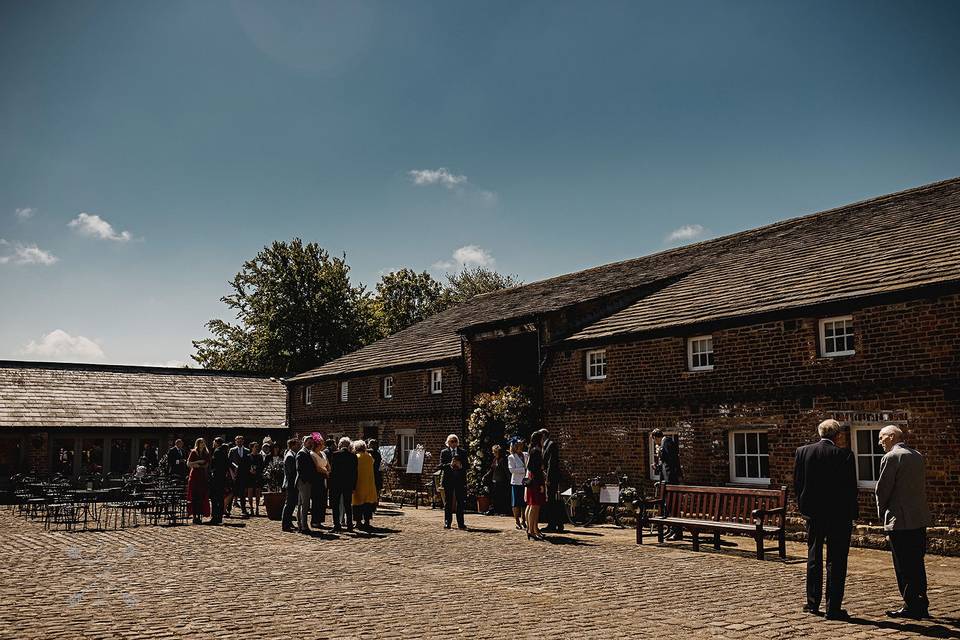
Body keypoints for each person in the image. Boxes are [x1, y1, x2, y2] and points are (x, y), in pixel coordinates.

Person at [794, 419, 858, 621]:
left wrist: (805, 508)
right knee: (836, 560)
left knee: (814, 556)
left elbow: (798, 483)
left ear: (820, 433)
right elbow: (850, 489)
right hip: (839, 515)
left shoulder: (803, 452)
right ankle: (833, 607)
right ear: (837, 435)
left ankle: (813, 603)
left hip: (814, 513)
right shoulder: (845, 455)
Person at [875, 425, 931, 619]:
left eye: (881, 437)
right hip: (919, 518)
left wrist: (882, 513)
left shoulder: (891, 457)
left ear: (892, 437)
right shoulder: (917, 455)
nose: (879, 441)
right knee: (917, 562)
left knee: (903, 565)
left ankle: (911, 605)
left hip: (899, 519)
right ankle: (921, 601)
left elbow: (882, 490)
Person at [651, 428, 683, 540]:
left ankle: (677, 532)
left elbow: (672, 461)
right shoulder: (664, 443)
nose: (655, 443)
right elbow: (666, 463)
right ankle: (671, 529)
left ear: (655, 437)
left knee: (673, 506)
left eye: (654, 440)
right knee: (667, 506)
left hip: (671, 479)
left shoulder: (667, 442)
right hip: (666, 479)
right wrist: (658, 467)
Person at [328, 437, 358, 532]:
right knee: (348, 505)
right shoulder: (353, 456)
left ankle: (337, 525)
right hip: (348, 484)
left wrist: (330, 484)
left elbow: (333, 471)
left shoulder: (335, 455)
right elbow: (355, 473)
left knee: (336, 505)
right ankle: (349, 525)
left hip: (337, 483)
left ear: (340, 445)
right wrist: (354, 486)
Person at [439, 434, 468, 530]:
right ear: (448, 443)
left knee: (460, 502)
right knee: (448, 502)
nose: (454, 443)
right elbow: (440, 465)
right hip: (449, 480)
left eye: (455, 441)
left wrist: (461, 466)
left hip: (459, 480)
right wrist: (449, 465)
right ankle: (448, 522)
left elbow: (467, 465)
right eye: (452, 441)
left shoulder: (463, 452)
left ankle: (461, 523)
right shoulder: (444, 452)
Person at [540, 429, 564, 532]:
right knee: (552, 500)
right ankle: (557, 523)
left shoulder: (551, 445)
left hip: (552, 477)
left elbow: (551, 463)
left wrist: (548, 478)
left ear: (544, 435)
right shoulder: (545, 446)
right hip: (550, 476)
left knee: (551, 500)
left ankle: (553, 524)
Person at [525, 431, 546, 540]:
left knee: (532, 505)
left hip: (532, 478)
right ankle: (531, 530)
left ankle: (533, 529)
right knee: (534, 505)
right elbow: (535, 469)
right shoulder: (536, 451)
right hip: (536, 480)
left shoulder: (532, 450)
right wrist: (541, 484)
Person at [353, 440, 378, 530]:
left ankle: (358, 522)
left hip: (359, 483)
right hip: (369, 483)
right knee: (368, 504)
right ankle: (367, 521)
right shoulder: (369, 457)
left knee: (357, 503)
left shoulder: (356, 457)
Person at [185, 438, 211, 524]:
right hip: (194, 476)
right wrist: (198, 462)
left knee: (201, 496)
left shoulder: (206, 453)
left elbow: (206, 464)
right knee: (194, 496)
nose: (202, 444)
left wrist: (198, 465)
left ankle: (200, 515)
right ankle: (194, 516)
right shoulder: (193, 452)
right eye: (201, 443)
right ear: (198, 444)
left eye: (203, 442)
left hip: (202, 476)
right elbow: (188, 464)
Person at [295, 436, 316, 534]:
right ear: (304, 442)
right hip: (303, 482)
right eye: (308, 442)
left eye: (311, 442)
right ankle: (303, 526)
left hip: (306, 481)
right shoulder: (302, 453)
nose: (310, 444)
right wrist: (306, 480)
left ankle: (301, 524)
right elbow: (300, 469)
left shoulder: (308, 452)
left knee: (302, 504)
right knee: (304, 504)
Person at [507, 439, 529, 530]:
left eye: (521, 445)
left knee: (524, 502)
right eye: (518, 445)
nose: (521, 447)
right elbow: (512, 470)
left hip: (525, 482)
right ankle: (517, 521)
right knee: (516, 503)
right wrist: (523, 470)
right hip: (516, 482)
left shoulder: (526, 454)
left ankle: (524, 520)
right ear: (515, 447)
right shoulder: (511, 457)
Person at [310, 433, 330, 529]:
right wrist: (326, 472)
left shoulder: (323, 453)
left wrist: (328, 470)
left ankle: (320, 520)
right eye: (321, 443)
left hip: (324, 478)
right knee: (316, 500)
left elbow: (327, 464)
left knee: (323, 500)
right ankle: (314, 520)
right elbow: (317, 467)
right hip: (317, 479)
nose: (323, 445)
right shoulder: (312, 454)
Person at [484, 444, 510, 515]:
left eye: (495, 452)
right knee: (495, 497)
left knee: (502, 497)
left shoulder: (503, 460)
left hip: (502, 481)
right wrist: (486, 476)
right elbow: (492, 469)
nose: (493, 453)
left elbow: (506, 471)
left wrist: (509, 480)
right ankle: (494, 510)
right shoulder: (495, 460)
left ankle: (503, 511)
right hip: (495, 480)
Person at [228, 435, 251, 517]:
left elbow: (249, 463)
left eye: (240, 441)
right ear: (235, 442)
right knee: (232, 493)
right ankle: (228, 509)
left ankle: (243, 510)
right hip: (234, 475)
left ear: (243, 441)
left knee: (242, 494)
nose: (239, 442)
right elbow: (229, 462)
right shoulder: (232, 450)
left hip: (243, 475)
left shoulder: (247, 451)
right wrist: (232, 473)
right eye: (237, 441)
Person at [281, 437, 300, 532]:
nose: (299, 446)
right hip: (291, 484)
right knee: (289, 504)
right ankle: (285, 524)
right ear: (292, 446)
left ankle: (289, 522)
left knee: (292, 505)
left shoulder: (293, 455)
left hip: (293, 484)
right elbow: (291, 472)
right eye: (297, 444)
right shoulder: (289, 456)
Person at [209, 437, 229, 525]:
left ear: (217, 443)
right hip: (222, 478)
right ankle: (219, 517)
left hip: (216, 478)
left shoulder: (217, 451)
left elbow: (213, 465)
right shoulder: (224, 452)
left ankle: (215, 517)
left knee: (214, 498)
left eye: (214, 442)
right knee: (220, 498)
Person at [246, 441, 264, 516]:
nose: (257, 448)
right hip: (250, 476)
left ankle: (257, 507)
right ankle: (251, 508)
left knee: (257, 492)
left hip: (257, 476)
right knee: (250, 492)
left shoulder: (260, 456)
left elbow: (262, 466)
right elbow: (245, 466)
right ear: (252, 448)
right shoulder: (248, 456)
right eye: (255, 447)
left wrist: (257, 471)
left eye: (257, 447)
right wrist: (249, 470)